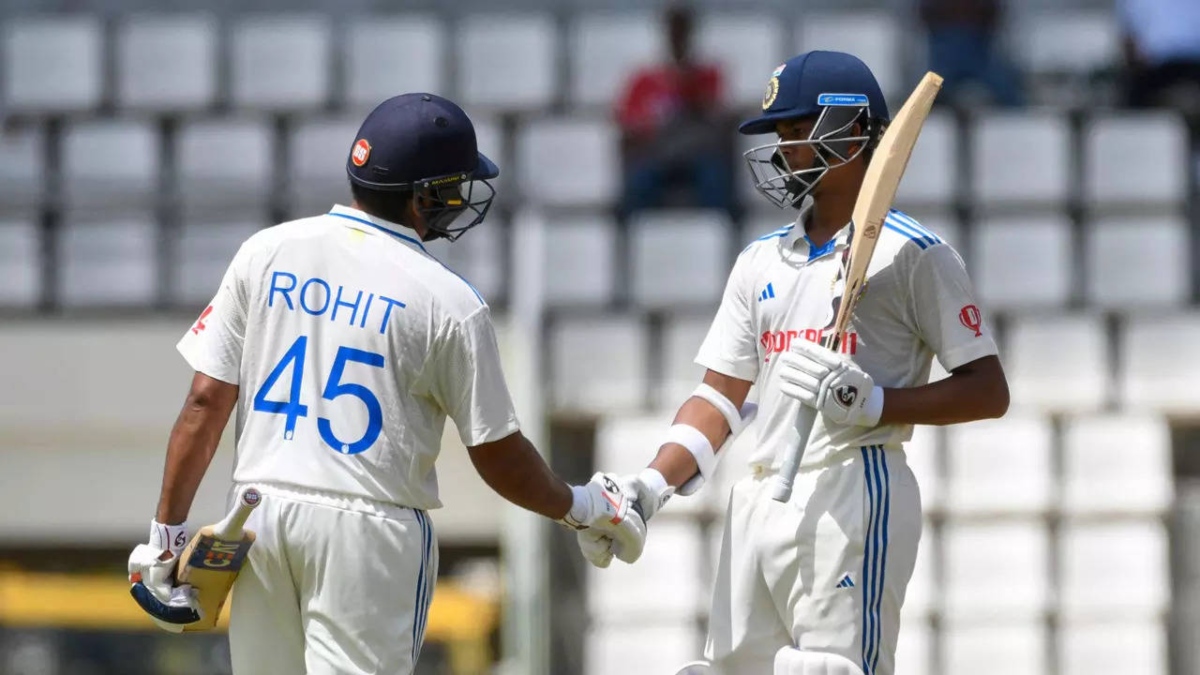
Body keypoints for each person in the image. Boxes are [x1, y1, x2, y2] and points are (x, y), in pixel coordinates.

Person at [126, 93, 647, 675]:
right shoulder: (449, 301)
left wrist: (165, 537)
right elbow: (498, 455)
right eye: (455, 187)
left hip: (257, 515)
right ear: (424, 196)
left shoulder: (265, 252)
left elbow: (205, 401)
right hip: (369, 528)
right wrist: (582, 507)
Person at [580, 51, 1010, 675]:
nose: (782, 149)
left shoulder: (914, 253)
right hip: (758, 497)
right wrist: (649, 486)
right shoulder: (760, 259)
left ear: (849, 130)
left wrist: (876, 402)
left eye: (795, 129)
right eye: (778, 133)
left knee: (830, 670)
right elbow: (719, 398)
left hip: (851, 485)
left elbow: (988, 390)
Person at [615, 3, 735, 219]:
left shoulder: (707, 75)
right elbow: (628, 123)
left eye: (682, 31)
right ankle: (630, 235)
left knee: (716, 181)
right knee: (638, 185)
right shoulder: (644, 80)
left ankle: (722, 232)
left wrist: (688, 88)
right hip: (657, 155)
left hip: (698, 154)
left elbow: (717, 117)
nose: (678, 37)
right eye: (674, 30)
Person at [919, 0, 1024, 107]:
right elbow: (924, 12)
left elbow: (996, 11)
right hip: (945, 49)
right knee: (924, 95)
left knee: (1008, 93)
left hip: (978, 47)